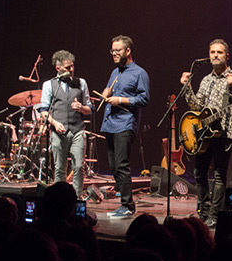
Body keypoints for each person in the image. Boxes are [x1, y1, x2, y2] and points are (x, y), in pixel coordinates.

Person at [179, 39, 232, 228]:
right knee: (199, 172)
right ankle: (203, 211)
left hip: (224, 133)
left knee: (218, 174)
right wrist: (187, 87)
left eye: (220, 52)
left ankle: (215, 215)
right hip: (203, 134)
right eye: (212, 52)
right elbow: (196, 106)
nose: (215, 55)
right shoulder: (206, 80)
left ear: (227, 56)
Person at [101, 35, 150, 218]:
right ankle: (124, 203)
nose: (114, 54)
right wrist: (106, 93)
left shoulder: (139, 73)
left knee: (122, 164)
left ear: (128, 51)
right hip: (110, 123)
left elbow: (144, 99)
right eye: (112, 51)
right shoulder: (115, 72)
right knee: (113, 166)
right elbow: (108, 91)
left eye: (117, 51)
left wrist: (120, 99)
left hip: (125, 123)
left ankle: (127, 206)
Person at [39, 50, 93, 197]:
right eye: (67, 67)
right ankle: (60, 199)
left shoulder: (81, 83)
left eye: (72, 66)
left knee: (78, 166)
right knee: (59, 168)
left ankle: (76, 198)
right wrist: (55, 123)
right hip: (58, 131)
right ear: (58, 68)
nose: (71, 70)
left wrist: (82, 108)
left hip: (77, 130)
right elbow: (43, 111)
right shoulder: (49, 85)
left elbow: (90, 109)